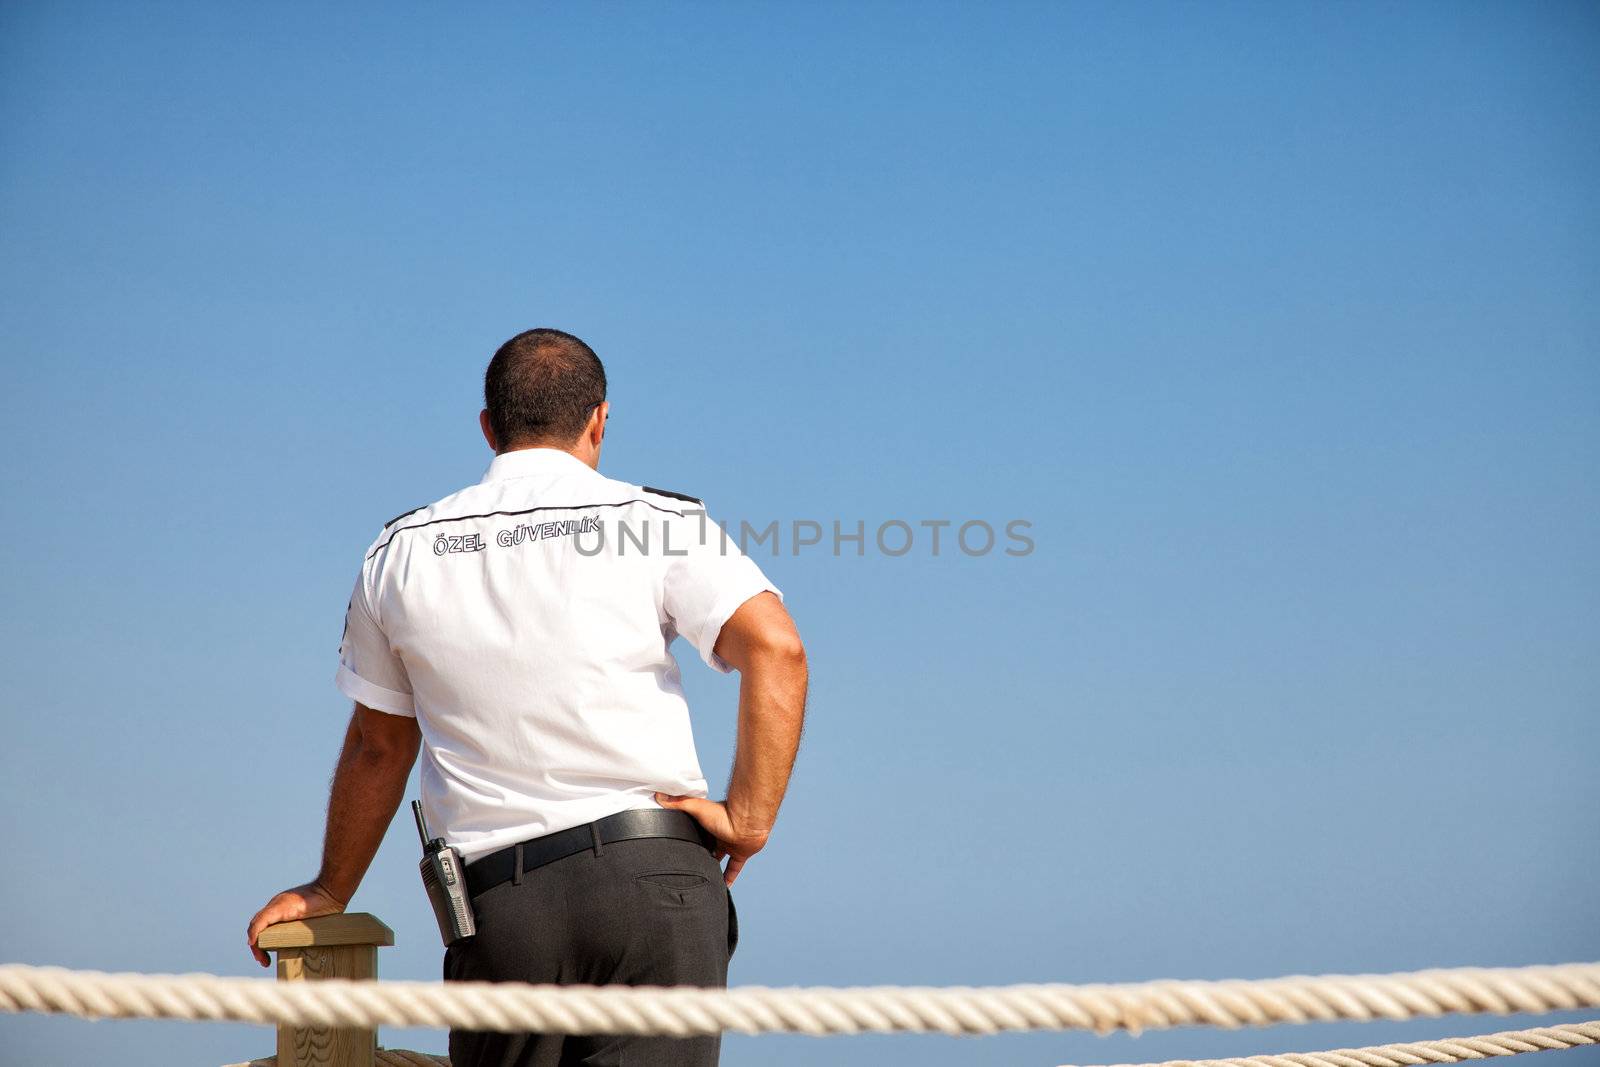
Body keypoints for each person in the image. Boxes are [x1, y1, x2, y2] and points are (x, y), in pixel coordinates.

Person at [246, 327, 808, 1067]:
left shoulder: (402, 549)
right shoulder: (659, 523)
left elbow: (378, 744)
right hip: (657, 883)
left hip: (506, 908)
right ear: (599, 420)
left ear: (489, 428)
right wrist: (749, 817)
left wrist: (329, 887)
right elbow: (777, 648)